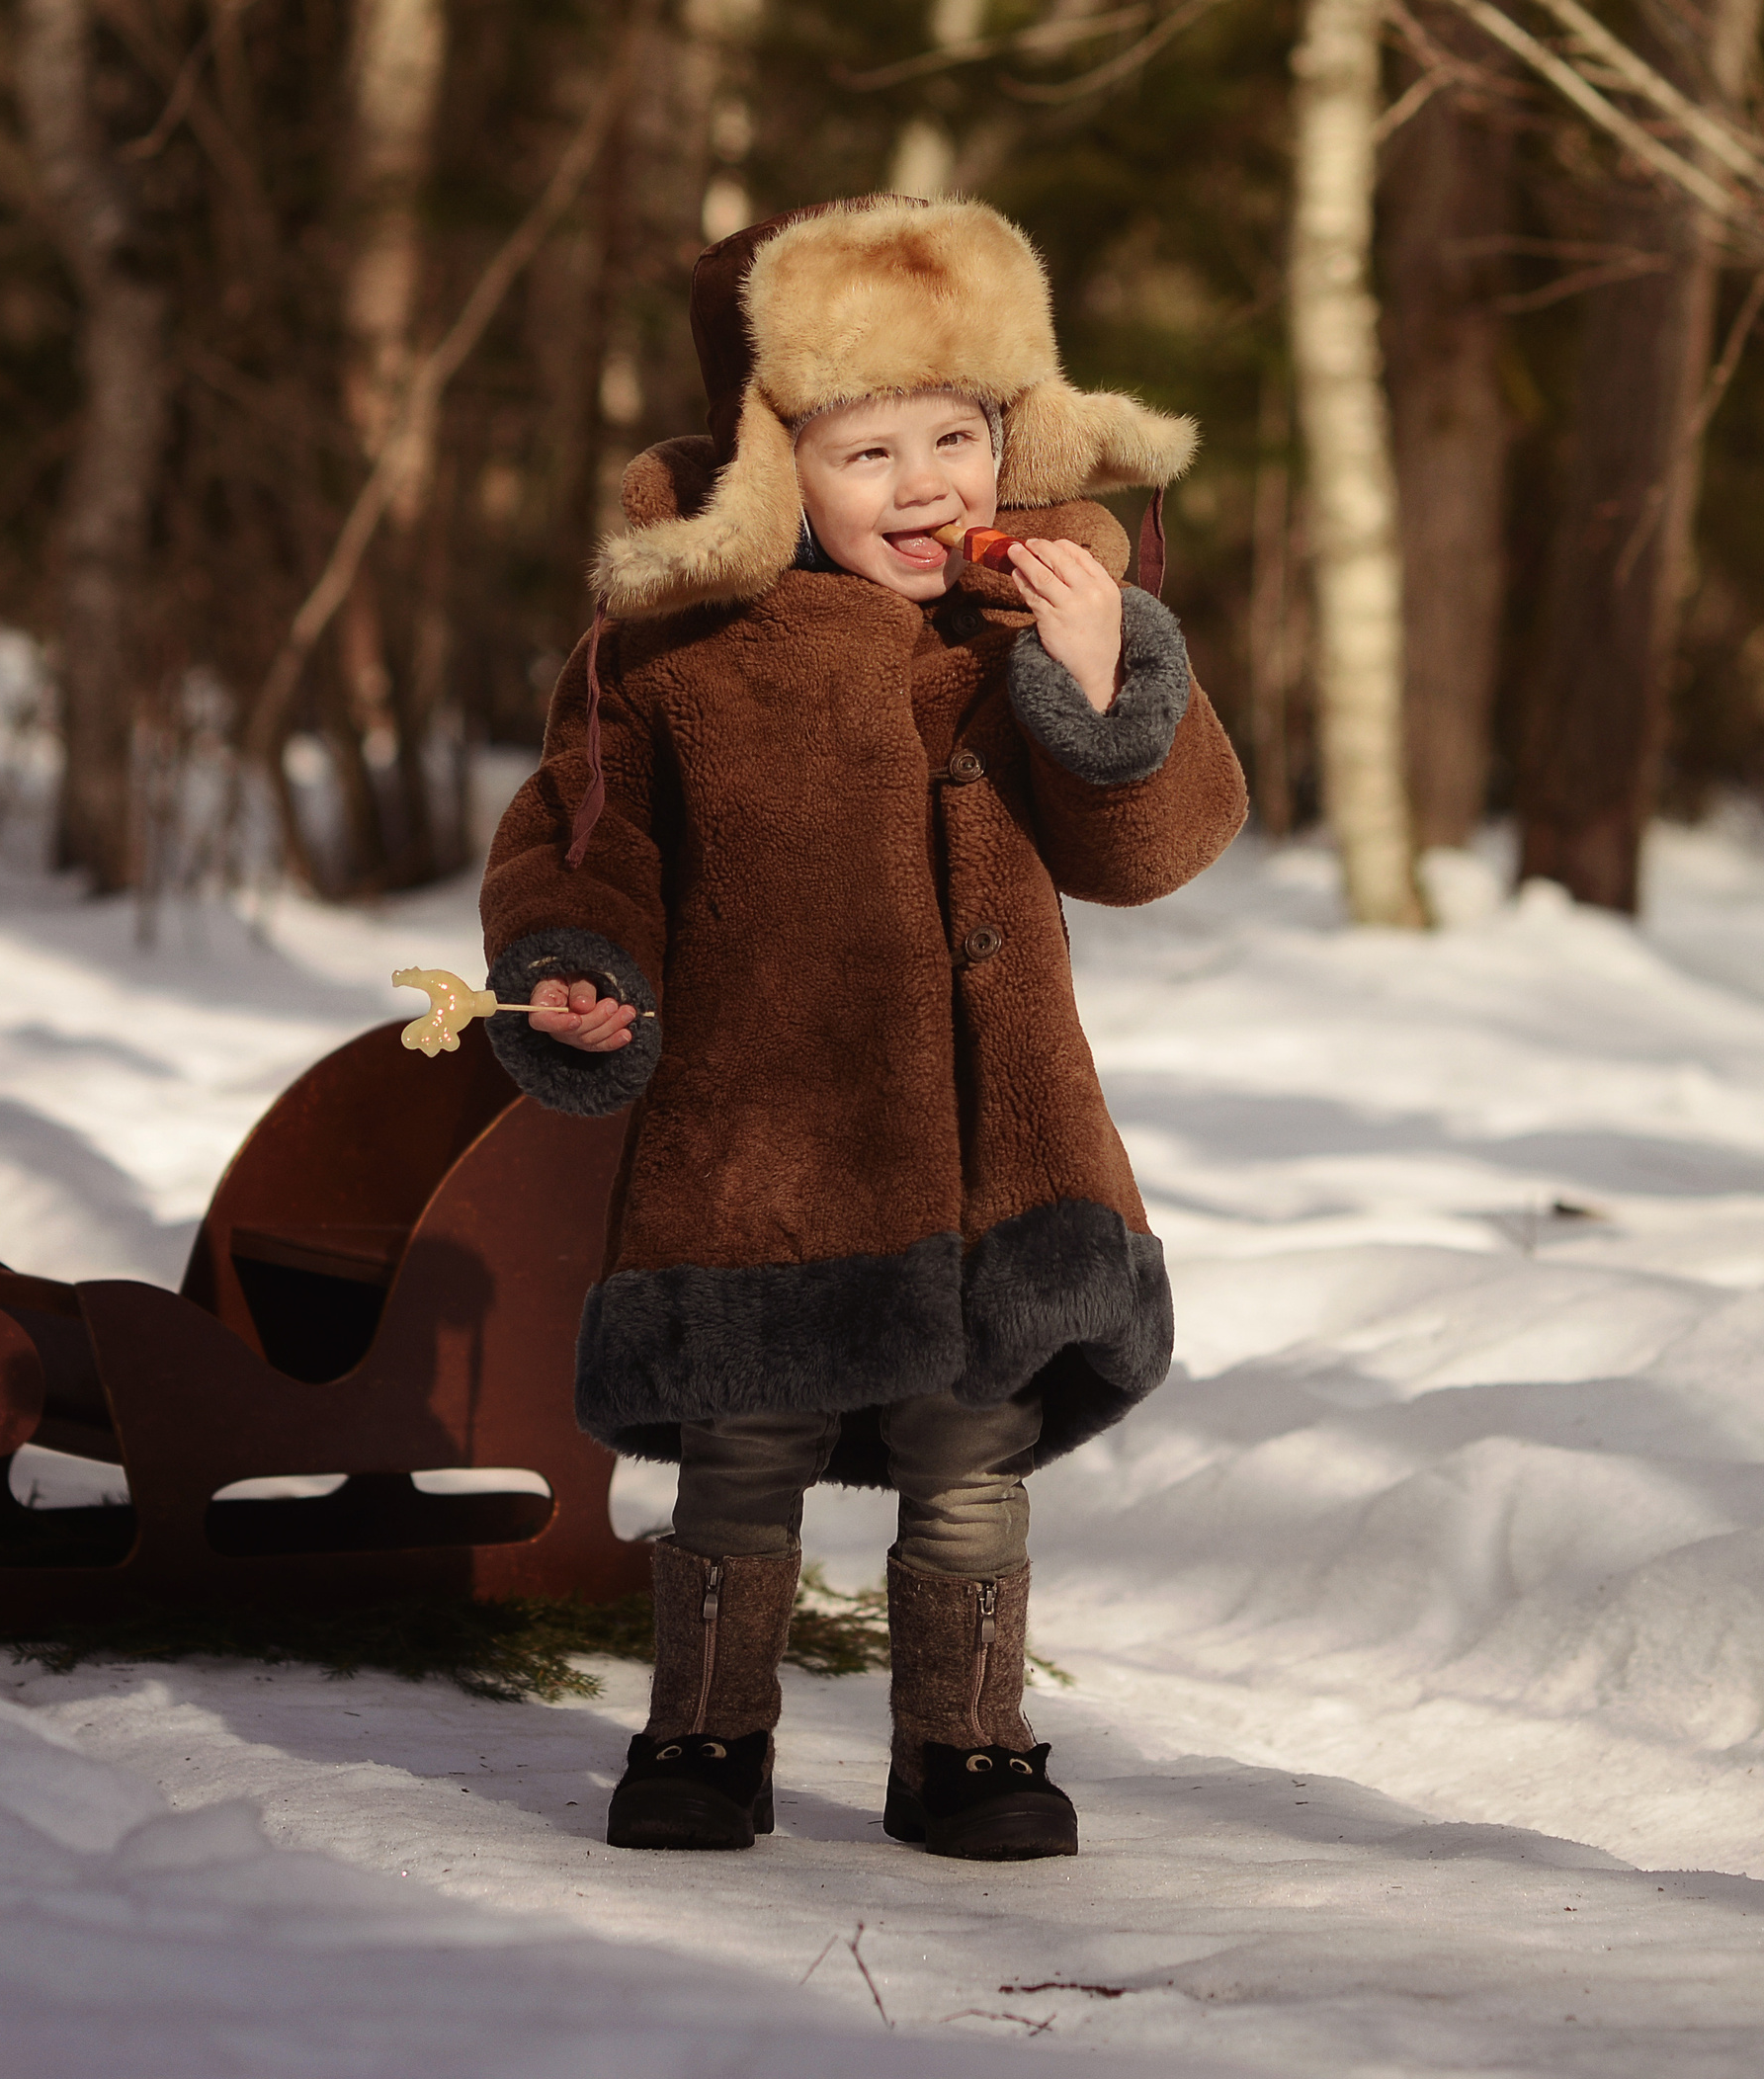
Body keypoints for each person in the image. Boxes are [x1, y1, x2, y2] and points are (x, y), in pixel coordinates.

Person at [478, 195, 1247, 1862]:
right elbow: (584, 834)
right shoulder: (684, 651)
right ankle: (703, 1737)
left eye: (955, 435)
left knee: (970, 1452)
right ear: (772, 468)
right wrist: (578, 963)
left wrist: (1103, 676)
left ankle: (963, 1749)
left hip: (1001, 1138)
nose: (924, 487)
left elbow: (1145, 852)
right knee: (741, 1449)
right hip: (768, 1145)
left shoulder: (1040, 616)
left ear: (1013, 435)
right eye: (866, 449)